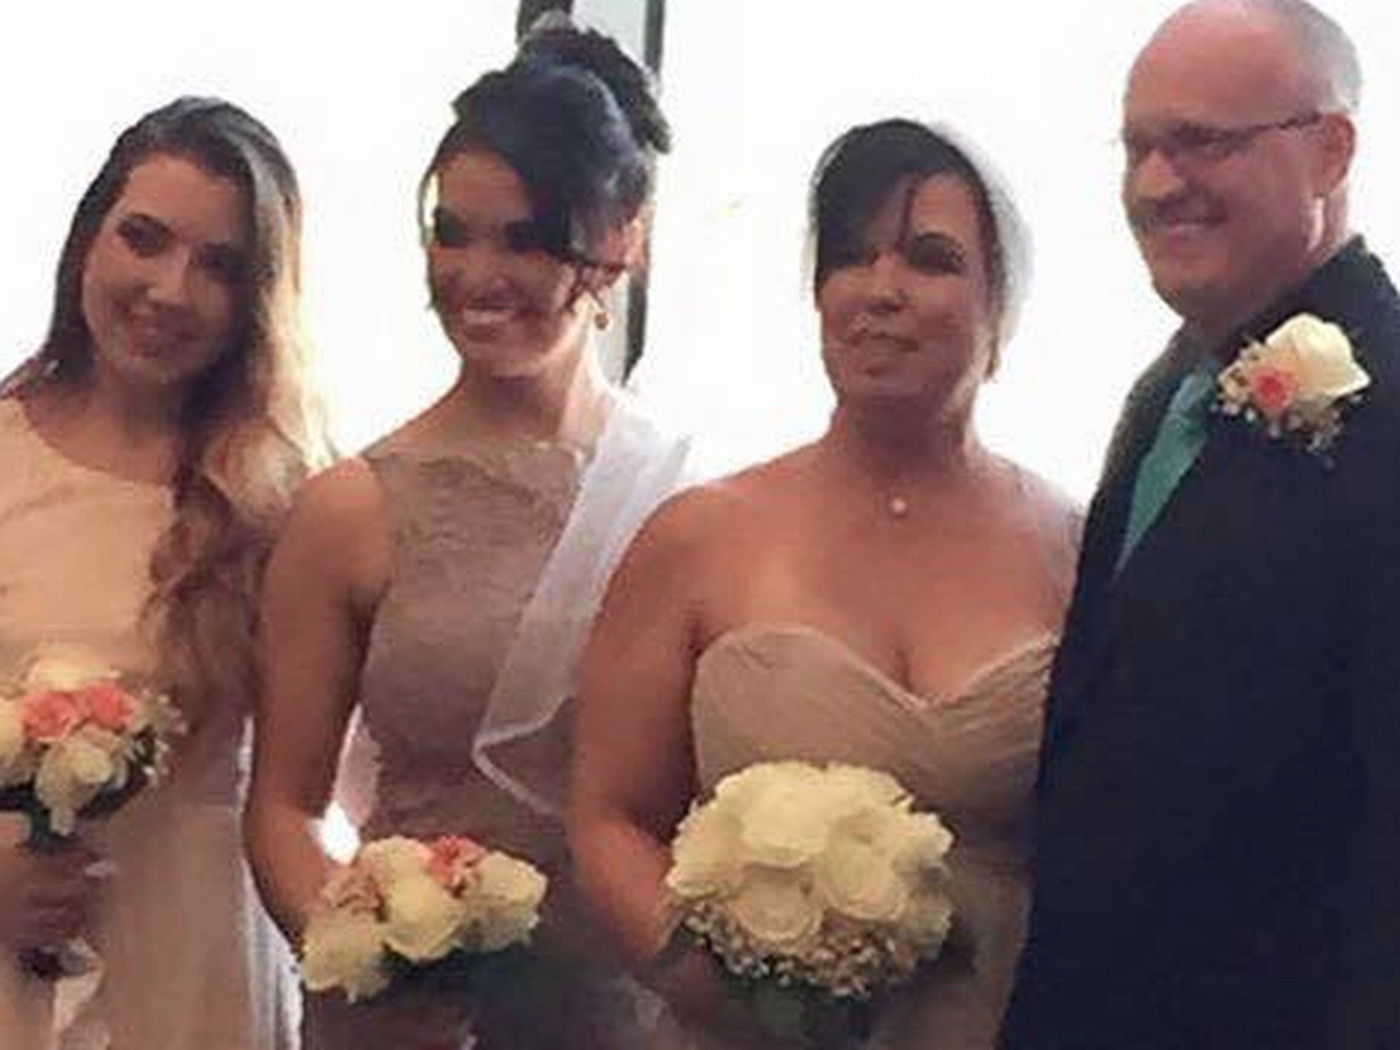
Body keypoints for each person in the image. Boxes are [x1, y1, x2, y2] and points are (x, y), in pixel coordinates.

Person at [569, 118, 1081, 1049]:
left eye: (930, 259)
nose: (880, 289)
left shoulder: (1073, 548)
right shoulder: (699, 535)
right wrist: (726, 996)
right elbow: (611, 816)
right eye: (850, 256)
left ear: (1000, 302)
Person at [243, 19, 689, 1050]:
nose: (475, 274)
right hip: (409, 1018)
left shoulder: (682, 497)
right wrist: (365, 959)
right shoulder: (352, 507)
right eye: (453, 233)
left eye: (522, 239)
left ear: (622, 238)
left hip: (618, 1007)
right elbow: (283, 810)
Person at [1000, 2, 1400, 1047]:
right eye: (1136, 148)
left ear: (1330, 150)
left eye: (1200, 143)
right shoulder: (1169, 388)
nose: (1154, 184)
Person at [0, 96, 323, 1048]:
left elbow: (315, 787)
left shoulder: (288, 499)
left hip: (195, 966)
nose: (170, 291)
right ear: (87, 241)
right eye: (143, 239)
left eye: (218, 266)